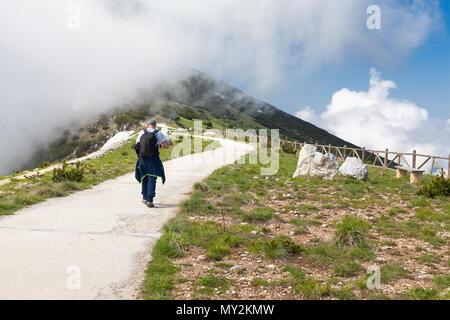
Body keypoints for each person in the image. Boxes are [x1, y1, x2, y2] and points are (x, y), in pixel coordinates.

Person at [134, 119, 169, 207]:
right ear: (155, 125)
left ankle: (144, 197)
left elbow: (137, 145)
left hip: (142, 158)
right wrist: (160, 144)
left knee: (144, 176)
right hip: (153, 158)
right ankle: (150, 200)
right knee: (152, 177)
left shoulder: (141, 132)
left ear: (147, 125)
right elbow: (166, 147)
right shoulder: (158, 133)